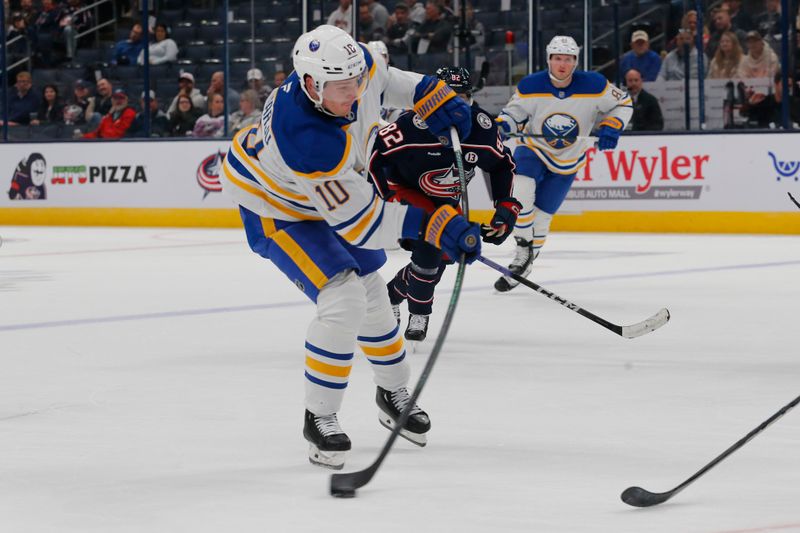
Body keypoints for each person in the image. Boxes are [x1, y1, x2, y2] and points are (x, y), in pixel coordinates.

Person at [218, 25, 476, 469]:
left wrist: (432, 92)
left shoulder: (351, 67)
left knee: (373, 295)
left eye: (356, 82)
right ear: (311, 84)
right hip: (275, 205)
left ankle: (391, 391)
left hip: (322, 196)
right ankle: (319, 419)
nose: (354, 95)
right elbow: (363, 224)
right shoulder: (307, 137)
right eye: (342, 88)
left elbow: (387, 78)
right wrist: (434, 225)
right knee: (342, 298)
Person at [368, 67, 519, 340]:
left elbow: (502, 165)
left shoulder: (481, 129)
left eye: (462, 99)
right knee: (431, 249)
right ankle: (420, 312)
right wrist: (387, 202)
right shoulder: (408, 127)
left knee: (444, 256)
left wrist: (506, 205)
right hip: (407, 193)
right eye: (447, 98)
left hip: (446, 201)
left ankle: (391, 295)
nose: (455, 107)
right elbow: (374, 158)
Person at [493, 35, 632, 292]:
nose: (562, 64)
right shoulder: (531, 84)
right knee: (521, 188)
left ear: (575, 61)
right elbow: (514, 113)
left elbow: (623, 104)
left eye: (568, 59)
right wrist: (503, 126)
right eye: (557, 58)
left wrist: (611, 126)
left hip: (569, 158)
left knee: (543, 216)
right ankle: (522, 249)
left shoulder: (595, 84)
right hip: (533, 148)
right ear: (549, 59)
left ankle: (527, 262)